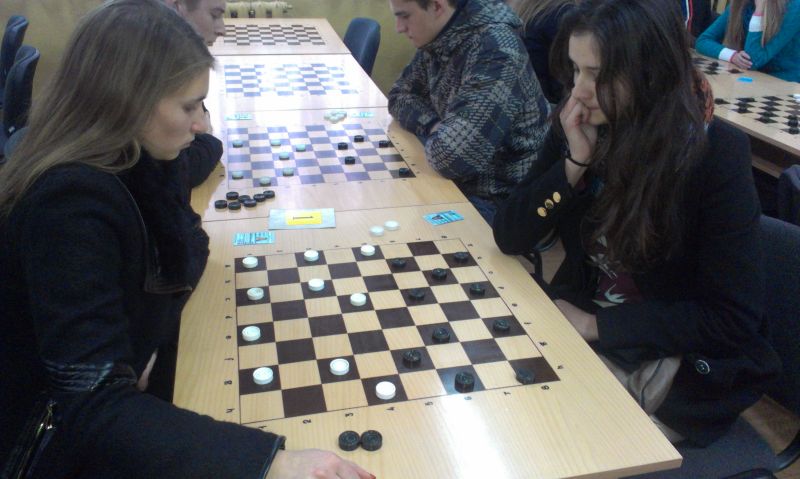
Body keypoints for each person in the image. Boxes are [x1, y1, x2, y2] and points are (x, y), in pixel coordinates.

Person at [0, 2, 373, 478]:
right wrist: (273, 463)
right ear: (128, 101)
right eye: (188, 106)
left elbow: (188, 247)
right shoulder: (68, 205)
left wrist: (140, 344)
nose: (201, 124)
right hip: (44, 444)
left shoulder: (140, 157)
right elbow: (91, 407)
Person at [493, 0, 779, 446]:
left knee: (538, 437)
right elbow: (510, 234)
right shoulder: (585, 122)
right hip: (590, 326)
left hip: (671, 362)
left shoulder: (715, 154)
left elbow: (731, 318)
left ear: (650, 73)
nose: (579, 90)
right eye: (576, 70)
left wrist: (596, 326)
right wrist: (573, 163)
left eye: (597, 74)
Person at [387, 0, 550, 223]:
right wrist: (435, 125)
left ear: (437, 6)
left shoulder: (497, 51)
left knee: (399, 224)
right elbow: (399, 96)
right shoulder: (442, 36)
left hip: (499, 200)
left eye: (405, 16)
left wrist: (442, 134)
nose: (398, 28)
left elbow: (452, 159)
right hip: (458, 180)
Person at [696, 0, 800, 82]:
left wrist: (759, 12)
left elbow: (754, 61)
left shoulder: (794, 6)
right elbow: (703, 41)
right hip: (750, 77)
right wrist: (733, 56)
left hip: (784, 81)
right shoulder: (742, 3)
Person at [510, 0, 577, 104]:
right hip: (547, 103)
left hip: (522, 101)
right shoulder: (561, 14)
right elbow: (564, 79)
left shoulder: (524, 9)